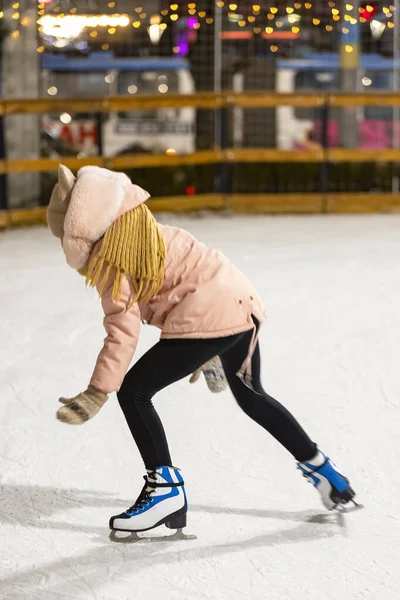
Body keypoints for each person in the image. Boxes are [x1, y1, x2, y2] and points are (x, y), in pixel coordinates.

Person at [47, 165, 356, 534]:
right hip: (242, 304)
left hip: (209, 315)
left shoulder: (114, 261)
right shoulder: (151, 233)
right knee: (252, 396)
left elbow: (122, 330)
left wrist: (98, 391)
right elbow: (195, 274)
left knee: (133, 391)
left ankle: (165, 491)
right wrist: (210, 341)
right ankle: (324, 470)